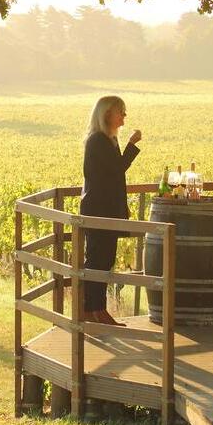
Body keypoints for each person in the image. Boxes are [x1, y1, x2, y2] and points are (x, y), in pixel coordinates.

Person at [81, 95, 141, 326]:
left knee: (104, 260)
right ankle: (90, 310)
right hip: (98, 210)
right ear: (107, 114)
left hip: (106, 209)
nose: (124, 115)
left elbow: (115, 173)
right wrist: (132, 145)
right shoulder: (98, 141)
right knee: (97, 260)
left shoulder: (108, 139)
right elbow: (117, 169)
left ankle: (98, 309)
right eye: (121, 111)